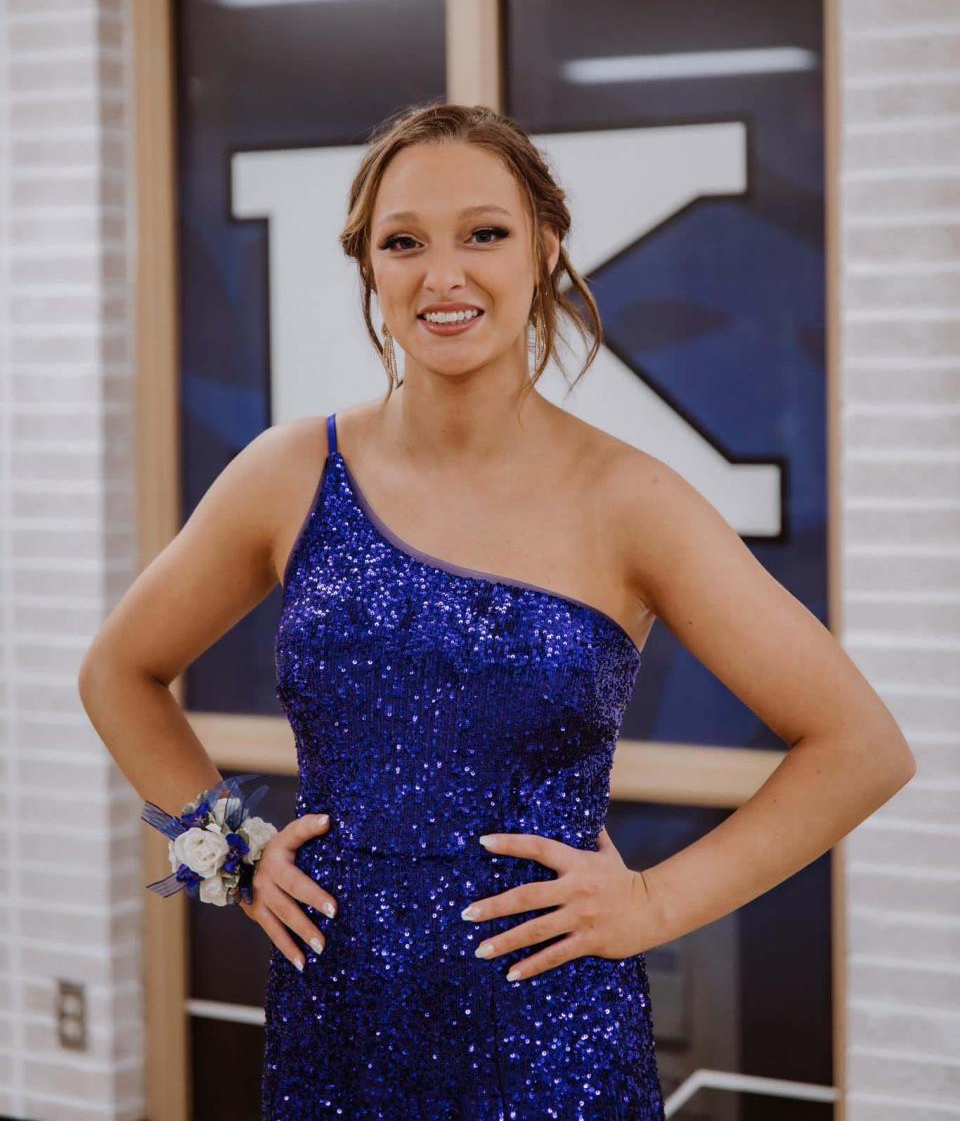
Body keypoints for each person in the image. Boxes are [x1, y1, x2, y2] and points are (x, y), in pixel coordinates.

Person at [79, 100, 916, 1119]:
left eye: (485, 233)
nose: (445, 275)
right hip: (337, 1021)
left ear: (545, 249)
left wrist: (654, 900)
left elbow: (860, 744)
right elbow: (118, 672)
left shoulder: (632, 500)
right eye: (404, 242)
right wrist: (235, 852)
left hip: (548, 1036)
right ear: (370, 270)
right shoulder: (287, 472)